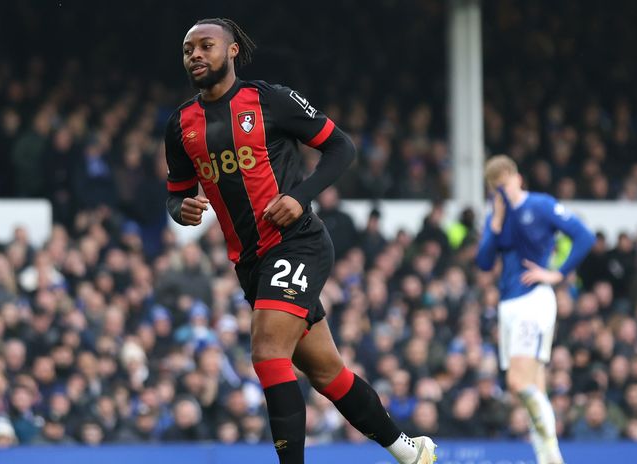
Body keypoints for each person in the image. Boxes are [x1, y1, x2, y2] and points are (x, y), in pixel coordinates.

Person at [164, 18, 436, 464]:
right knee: (327, 373)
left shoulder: (270, 99)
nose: (195, 54)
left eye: (205, 46)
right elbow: (176, 193)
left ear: (232, 51)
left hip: (296, 243)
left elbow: (342, 147)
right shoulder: (181, 125)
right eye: (187, 49)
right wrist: (182, 209)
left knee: (268, 352)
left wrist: (299, 196)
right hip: (250, 263)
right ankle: (410, 451)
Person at [475, 155, 595, 464]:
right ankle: (546, 457)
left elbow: (584, 235)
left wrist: (557, 273)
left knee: (517, 382)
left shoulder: (540, 205)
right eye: (496, 189)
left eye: (505, 185)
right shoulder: (496, 217)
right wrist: (495, 223)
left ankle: (551, 452)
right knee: (534, 386)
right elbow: (484, 262)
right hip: (508, 304)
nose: (502, 193)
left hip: (533, 299)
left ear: (518, 179)